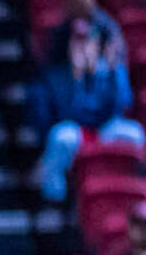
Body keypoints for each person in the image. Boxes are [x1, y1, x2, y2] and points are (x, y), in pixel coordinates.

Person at [30, 16, 143, 202]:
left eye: (88, 38)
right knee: (60, 137)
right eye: (78, 39)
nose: (84, 45)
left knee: (134, 133)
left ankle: (130, 194)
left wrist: (112, 72)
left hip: (106, 128)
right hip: (77, 130)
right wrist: (77, 77)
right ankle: (54, 200)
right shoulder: (59, 72)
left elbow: (123, 103)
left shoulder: (110, 69)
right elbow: (67, 112)